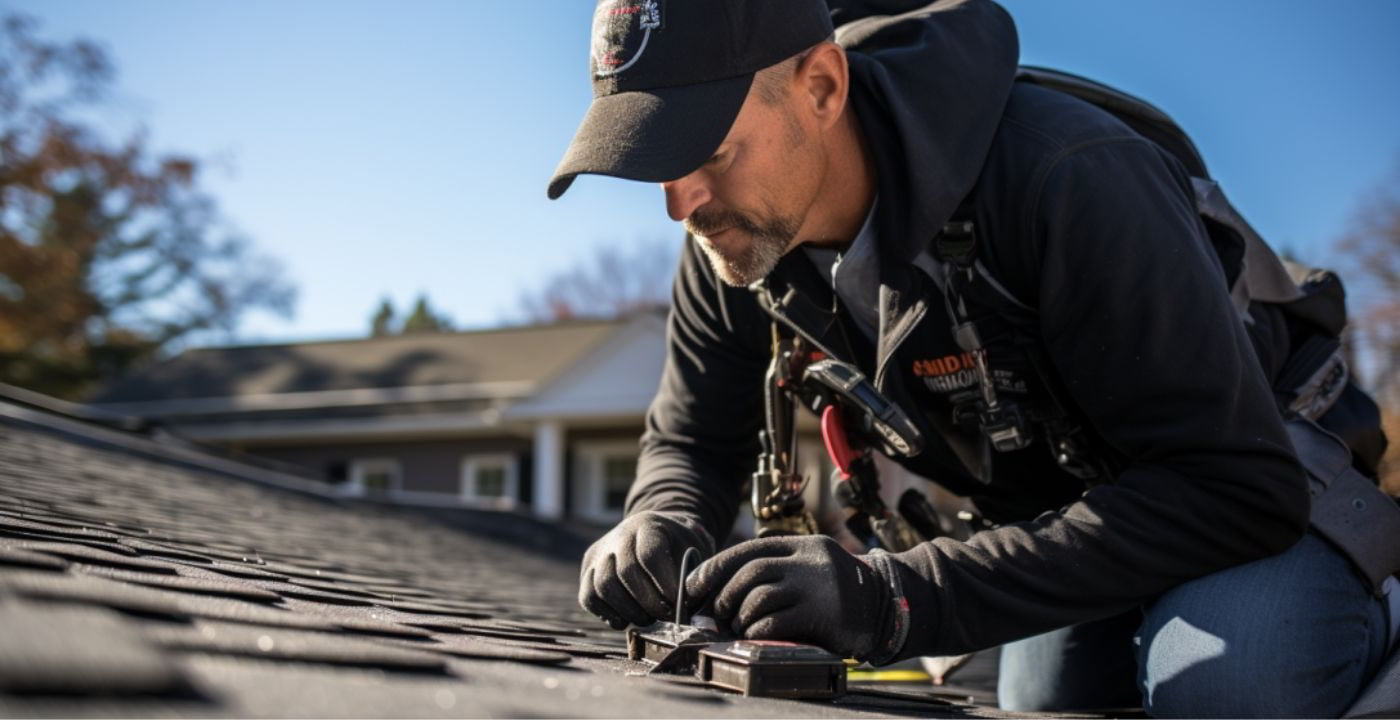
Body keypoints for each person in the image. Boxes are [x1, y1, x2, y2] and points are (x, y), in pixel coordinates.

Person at [548, 0, 1395, 715]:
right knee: (1043, 702)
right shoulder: (731, 242)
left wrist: (897, 596)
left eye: (706, 150)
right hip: (1081, 510)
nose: (679, 205)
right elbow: (692, 444)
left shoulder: (1069, 176)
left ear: (820, 86)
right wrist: (659, 519)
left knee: (1230, 690)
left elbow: (1233, 485)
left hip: (1264, 483)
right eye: (651, 160)